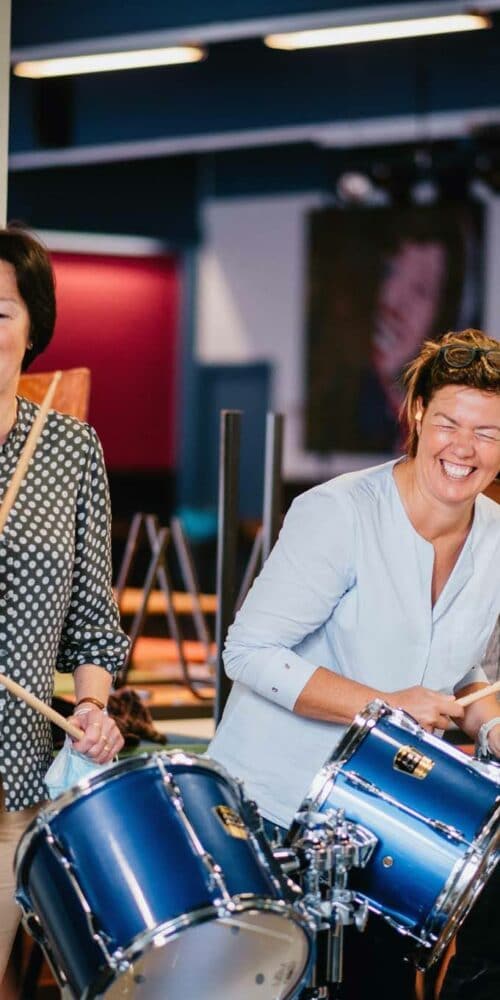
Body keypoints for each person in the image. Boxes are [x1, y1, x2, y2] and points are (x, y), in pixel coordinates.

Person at [209, 327, 500, 999]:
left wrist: (489, 724)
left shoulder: (494, 536)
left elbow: (465, 672)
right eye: (449, 423)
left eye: (487, 432)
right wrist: (385, 706)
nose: (464, 448)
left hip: (385, 823)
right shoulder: (338, 512)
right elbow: (247, 651)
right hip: (275, 814)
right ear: (417, 414)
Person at [0, 226, 129, 995]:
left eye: (0, 311)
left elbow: (92, 622)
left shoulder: (72, 450)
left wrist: (92, 708)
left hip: (14, 774)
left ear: (32, 328)